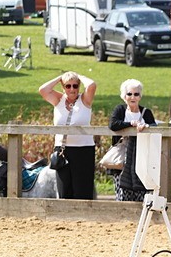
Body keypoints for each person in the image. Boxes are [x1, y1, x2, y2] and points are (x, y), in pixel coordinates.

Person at [39, 71, 97, 200]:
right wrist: (60, 77)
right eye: (68, 86)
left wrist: (78, 75)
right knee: (64, 190)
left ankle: (83, 217)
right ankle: (66, 219)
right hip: (62, 150)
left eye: (75, 86)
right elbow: (43, 90)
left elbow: (92, 85)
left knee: (83, 191)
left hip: (84, 149)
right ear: (63, 87)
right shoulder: (58, 100)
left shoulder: (84, 100)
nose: (72, 89)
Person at [109, 78, 157, 202]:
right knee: (122, 190)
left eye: (136, 94)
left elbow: (154, 127)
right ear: (124, 96)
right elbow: (113, 124)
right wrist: (131, 124)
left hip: (142, 158)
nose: (132, 97)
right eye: (129, 94)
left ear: (140, 96)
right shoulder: (120, 110)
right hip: (122, 158)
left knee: (143, 190)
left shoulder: (146, 112)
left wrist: (145, 127)